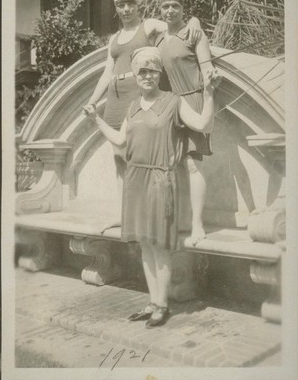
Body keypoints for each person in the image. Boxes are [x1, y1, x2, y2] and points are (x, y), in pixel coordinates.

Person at [83, 47, 214, 328]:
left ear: (159, 74)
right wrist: (96, 119)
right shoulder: (132, 107)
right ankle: (153, 301)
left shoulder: (173, 102)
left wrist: (210, 93)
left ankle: (163, 304)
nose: (147, 75)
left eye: (152, 70)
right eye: (142, 70)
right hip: (135, 180)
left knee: (159, 245)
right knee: (145, 244)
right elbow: (119, 141)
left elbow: (204, 123)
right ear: (136, 76)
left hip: (159, 181)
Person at [84, 0, 201, 203]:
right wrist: (92, 101)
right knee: (119, 158)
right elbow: (107, 72)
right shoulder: (113, 39)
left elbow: (175, 22)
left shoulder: (148, 26)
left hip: (136, 97)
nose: (126, 9)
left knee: (142, 156)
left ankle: (146, 210)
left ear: (137, 5)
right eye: (121, 4)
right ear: (116, 7)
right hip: (114, 99)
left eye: (130, 3)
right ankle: (124, 212)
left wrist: (194, 20)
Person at [156, 0, 219, 246]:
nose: (170, 10)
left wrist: (210, 81)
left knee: (192, 164)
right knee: (170, 165)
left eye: (176, 6)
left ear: (183, 8)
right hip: (170, 106)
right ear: (160, 9)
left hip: (192, 100)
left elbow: (207, 68)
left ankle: (197, 224)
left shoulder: (194, 34)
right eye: (166, 6)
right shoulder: (157, 39)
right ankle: (174, 222)